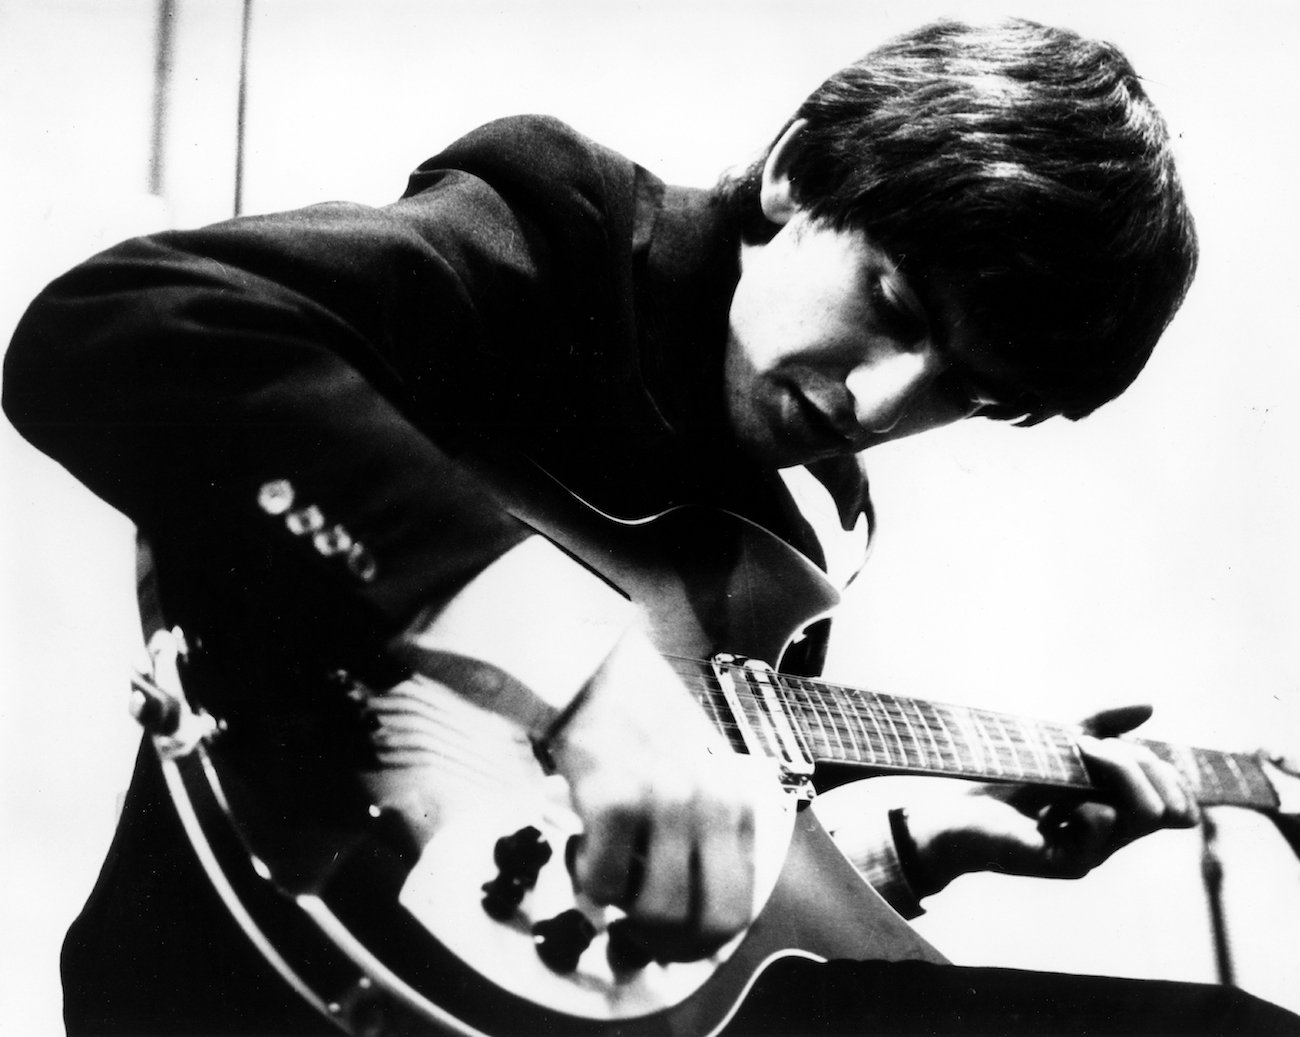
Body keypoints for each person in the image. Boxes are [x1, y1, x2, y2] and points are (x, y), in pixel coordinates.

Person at [4, 15, 1296, 1036]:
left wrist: (918, 843)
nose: (879, 403)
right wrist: (577, 664)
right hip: (241, 979)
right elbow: (123, 329)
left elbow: (656, 904)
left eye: (968, 391)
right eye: (897, 302)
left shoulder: (818, 528)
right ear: (798, 174)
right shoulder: (568, 232)